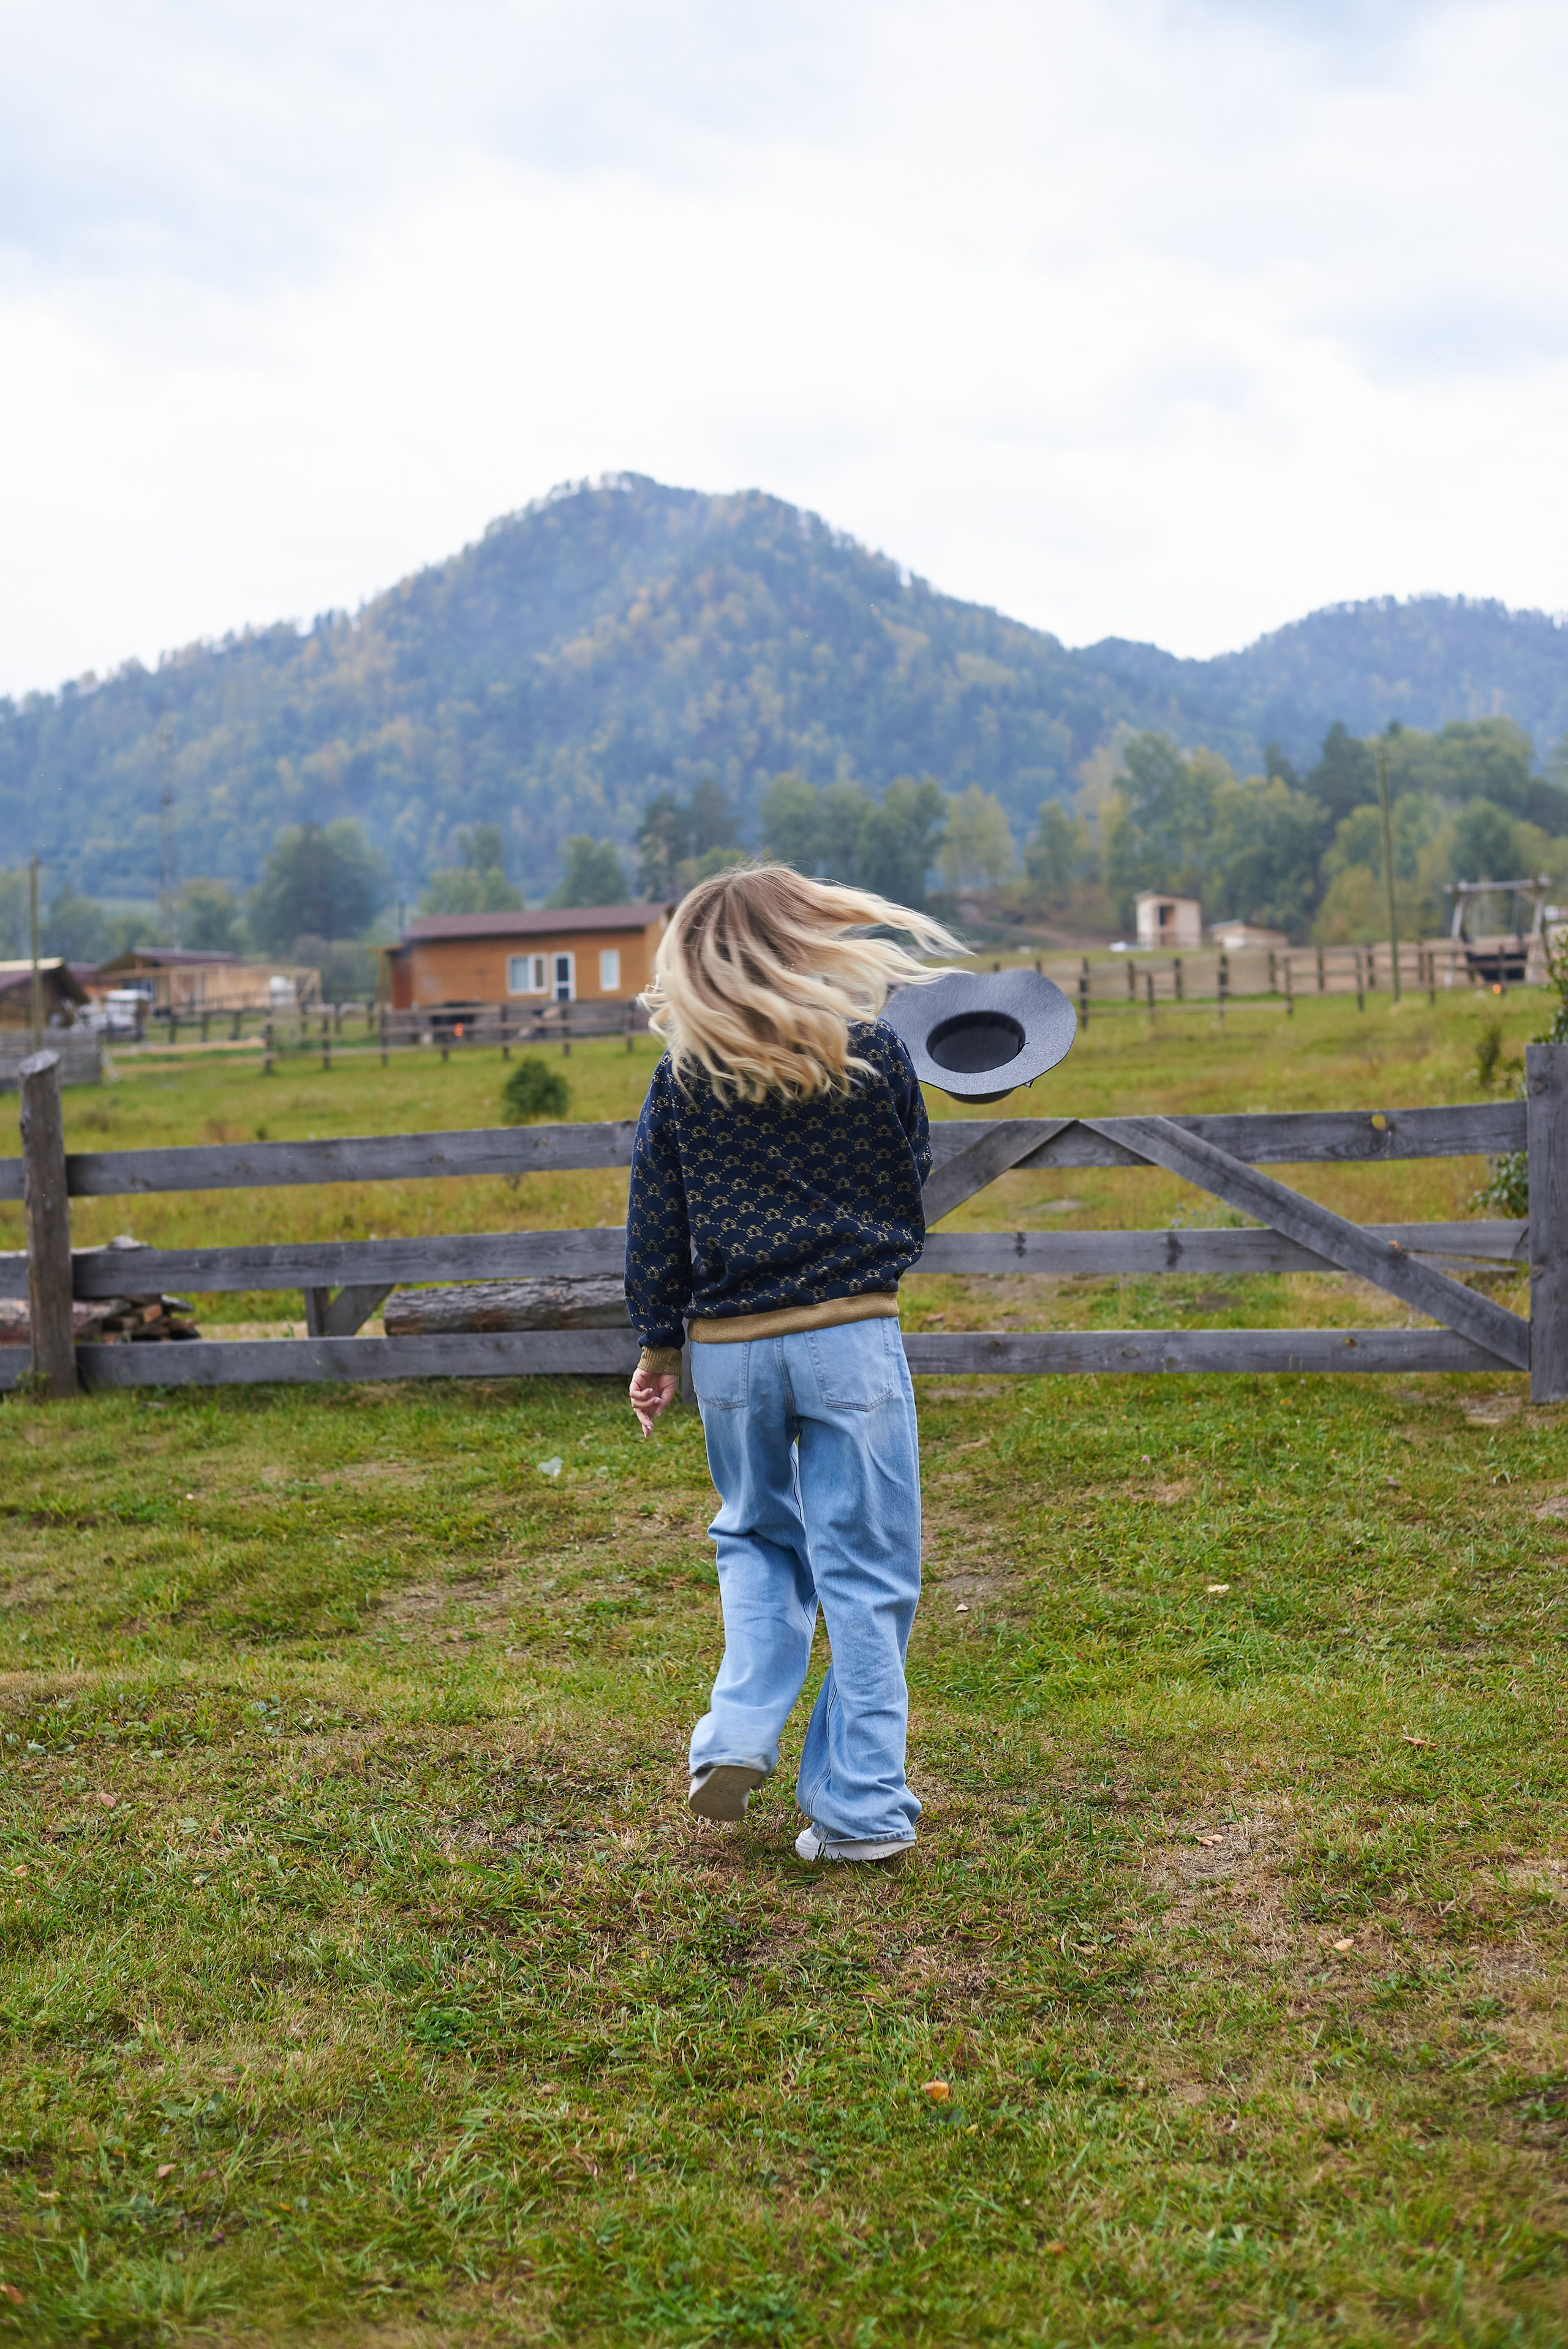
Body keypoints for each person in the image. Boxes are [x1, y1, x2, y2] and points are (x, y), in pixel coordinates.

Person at [624, 864, 958, 1864]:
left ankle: (734, 1736)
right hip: (851, 1336)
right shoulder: (876, 1055)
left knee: (757, 1540)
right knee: (867, 1573)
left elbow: (657, 1221)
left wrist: (656, 1344)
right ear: (806, 939)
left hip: (730, 1352)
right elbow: (913, 1175)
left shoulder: (684, 1076)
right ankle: (860, 1811)